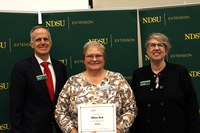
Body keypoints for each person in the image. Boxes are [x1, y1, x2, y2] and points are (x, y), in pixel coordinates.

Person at [55, 41, 138, 133]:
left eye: (98, 56)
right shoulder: (72, 82)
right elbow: (60, 111)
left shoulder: (117, 79)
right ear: (83, 59)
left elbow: (131, 109)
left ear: (104, 58)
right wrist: (72, 131)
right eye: (90, 56)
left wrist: (118, 130)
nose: (94, 59)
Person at [130, 32, 200, 133]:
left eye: (161, 45)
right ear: (147, 50)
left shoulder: (180, 72)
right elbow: (133, 107)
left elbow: (192, 108)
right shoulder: (139, 74)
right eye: (152, 45)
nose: (156, 48)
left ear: (166, 50)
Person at [10, 25, 68, 133]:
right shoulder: (21, 68)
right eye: (38, 40)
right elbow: (16, 107)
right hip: (33, 129)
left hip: (59, 128)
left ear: (51, 42)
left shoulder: (60, 67)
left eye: (46, 39)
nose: (42, 42)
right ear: (31, 44)